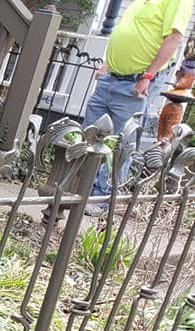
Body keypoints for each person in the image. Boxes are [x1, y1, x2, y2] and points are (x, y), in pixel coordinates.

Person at [83, 0, 194, 200]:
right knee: (88, 136)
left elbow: (175, 38)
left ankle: (101, 199)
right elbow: (128, 33)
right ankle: (79, 189)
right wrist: (108, 64)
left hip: (136, 83)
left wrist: (148, 76)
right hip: (111, 78)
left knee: (121, 145)